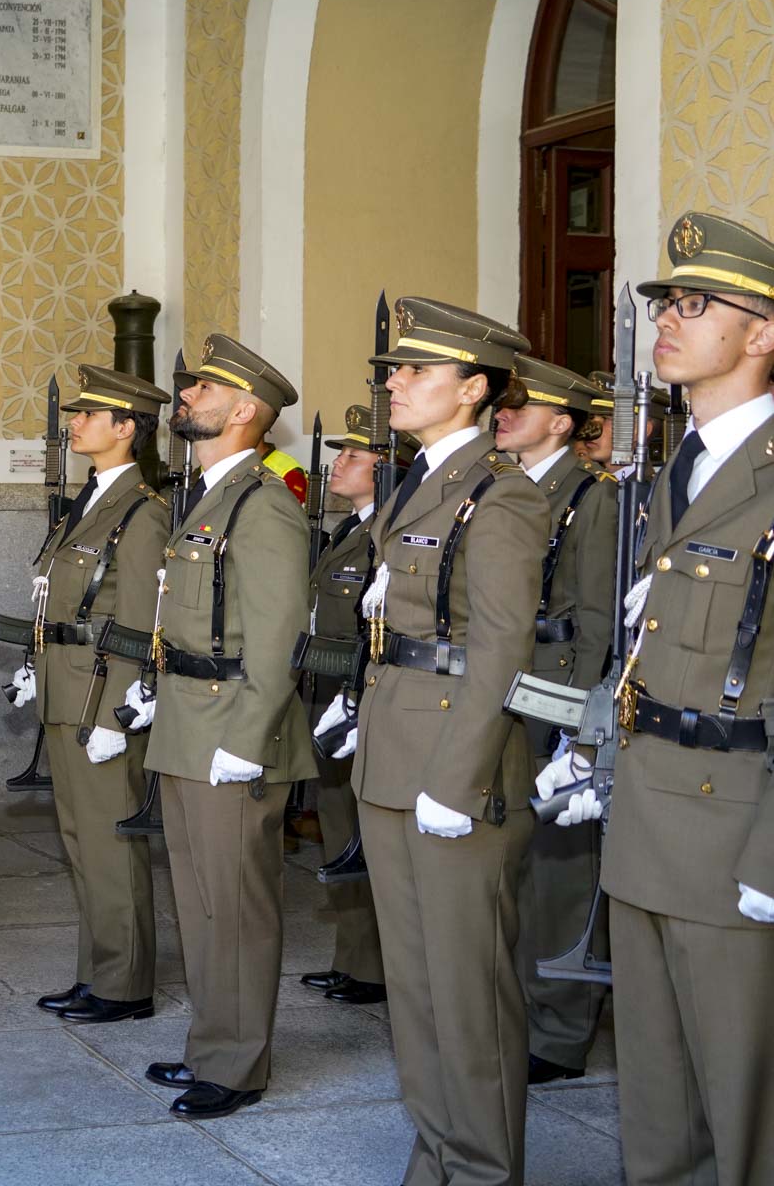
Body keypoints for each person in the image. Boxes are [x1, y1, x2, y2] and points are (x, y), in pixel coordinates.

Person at [341, 298, 548, 1184]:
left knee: (465, 990)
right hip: (394, 755)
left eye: (416, 371)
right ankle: (439, 1155)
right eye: (394, 368)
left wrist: (455, 780)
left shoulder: (499, 496)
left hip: (448, 766)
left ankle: (481, 1167)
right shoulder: (422, 481)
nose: (394, 382)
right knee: (417, 987)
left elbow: (499, 646)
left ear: (472, 390)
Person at [592, 212, 774, 1186]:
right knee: (653, 1099)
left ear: (761, 333)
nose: (666, 318)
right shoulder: (684, 466)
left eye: (696, 304)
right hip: (651, 815)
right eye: (666, 300)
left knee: (743, 1106)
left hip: (734, 830)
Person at [143, 334, 313, 1120]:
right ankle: (213, 1045)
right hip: (188, 721)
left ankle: (238, 1064)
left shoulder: (263, 503)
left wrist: (244, 744)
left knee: (234, 904)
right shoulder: (215, 493)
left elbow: (276, 642)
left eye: (203, 389)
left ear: (244, 410)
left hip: (230, 732)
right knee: (200, 902)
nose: (186, 398)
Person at [10, 365, 169, 1025]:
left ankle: (124, 985)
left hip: (98, 698)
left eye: (88, 415)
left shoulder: (140, 509)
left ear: (126, 428)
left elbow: (137, 619)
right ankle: (97, 971)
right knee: (80, 841)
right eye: (74, 413)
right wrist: (33, 663)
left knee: (108, 844)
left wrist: (118, 714)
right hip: (65, 687)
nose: (73, 423)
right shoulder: (93, 498)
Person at [492, 355, 617, 1087]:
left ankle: (560, 1033)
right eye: (500, 405)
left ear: (561, 423)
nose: (502, 415)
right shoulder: (509, 491)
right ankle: (519, 1009)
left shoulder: (589, 499)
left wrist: (584, 730)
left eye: (520, 406)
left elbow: (598, 621)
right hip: (512, 691)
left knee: (559, 873)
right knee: (513, 863)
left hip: (559, 695)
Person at [297, 406, 417, 1007]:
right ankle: (356, 958)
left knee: (363, 827)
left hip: (358, 693)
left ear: (388, 467)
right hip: (326, 689)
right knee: (339, 825)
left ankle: (374, 965)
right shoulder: (350, 529)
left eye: (352, 455)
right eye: (339, 452)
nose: (337, 463)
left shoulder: (386, 534)